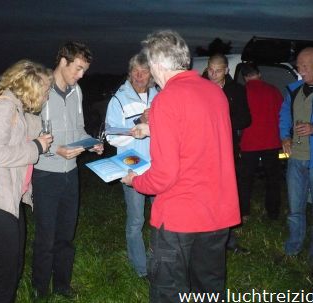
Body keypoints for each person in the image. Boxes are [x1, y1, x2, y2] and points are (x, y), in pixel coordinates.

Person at [122, 30, 240, 302]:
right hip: (216, 213)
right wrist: (153, 130)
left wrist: (135, 181)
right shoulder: (215, 92)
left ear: (159, 65)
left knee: (168, 291)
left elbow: (163, 176)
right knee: (209, 289)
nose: (150, 73)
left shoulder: (166, 99)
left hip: (179, 217)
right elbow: (198, 139)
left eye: (150, 66)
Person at [0, 59, 53, 303]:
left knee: (12, 272)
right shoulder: (2, 108)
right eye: (46, 90)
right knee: (4, 280)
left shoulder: (17, 112)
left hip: (7, 204)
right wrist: (36, 147)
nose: (47, 95)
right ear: (31, 88)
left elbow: (33, 133)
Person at [31, 41, 103, 299]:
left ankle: (62, 284)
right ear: (63, 61)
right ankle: (40, 289)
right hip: (45, 174)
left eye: (84, 70)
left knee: (65, 235)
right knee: (45, 237)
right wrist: (55, 150)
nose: (81, 75)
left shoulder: (77, 92)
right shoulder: (38, 89)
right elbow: (28, 135)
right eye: (78, 68)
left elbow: (79, 128)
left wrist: (91, 142)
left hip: (70, 174)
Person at [105, 52, 158, 278]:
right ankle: (141, 269)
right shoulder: (119, 99)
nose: (139, 75)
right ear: (129, 73)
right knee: (136, 220)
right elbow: (111, 137)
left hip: (158, 168)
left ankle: (158, 261)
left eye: (144, 71)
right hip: (131, 169)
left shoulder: (159, 95)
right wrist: (140, 123)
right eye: (135, 71)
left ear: (151, 75)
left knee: (160, 218)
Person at [205, 53, 251, 254]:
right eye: (210, 70)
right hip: (202, 150)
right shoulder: (199, 87)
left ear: (226, 70)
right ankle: (204, 237)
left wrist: (223, 122)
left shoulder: (237, 90)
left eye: (217, 70)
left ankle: (229, 241)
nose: (213, 74)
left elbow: (245, 119)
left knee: (226, 195)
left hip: (226, 150)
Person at [279, 47, 313, 275]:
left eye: (304, 66)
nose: (299, 71)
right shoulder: (293, 90)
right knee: (295, 209)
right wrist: (284, 136)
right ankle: (292, 248)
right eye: (298, 66)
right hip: (295, 160)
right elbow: (283, 115)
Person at [238, 63, 283, 220]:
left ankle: (244, 213)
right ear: (259, 74)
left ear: (245, 77)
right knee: (273, 179)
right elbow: (282, 115)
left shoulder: (243, 92)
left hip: (249, 142)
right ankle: (272, 212)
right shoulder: (273, 90)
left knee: (246, 179)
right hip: (271, 141)